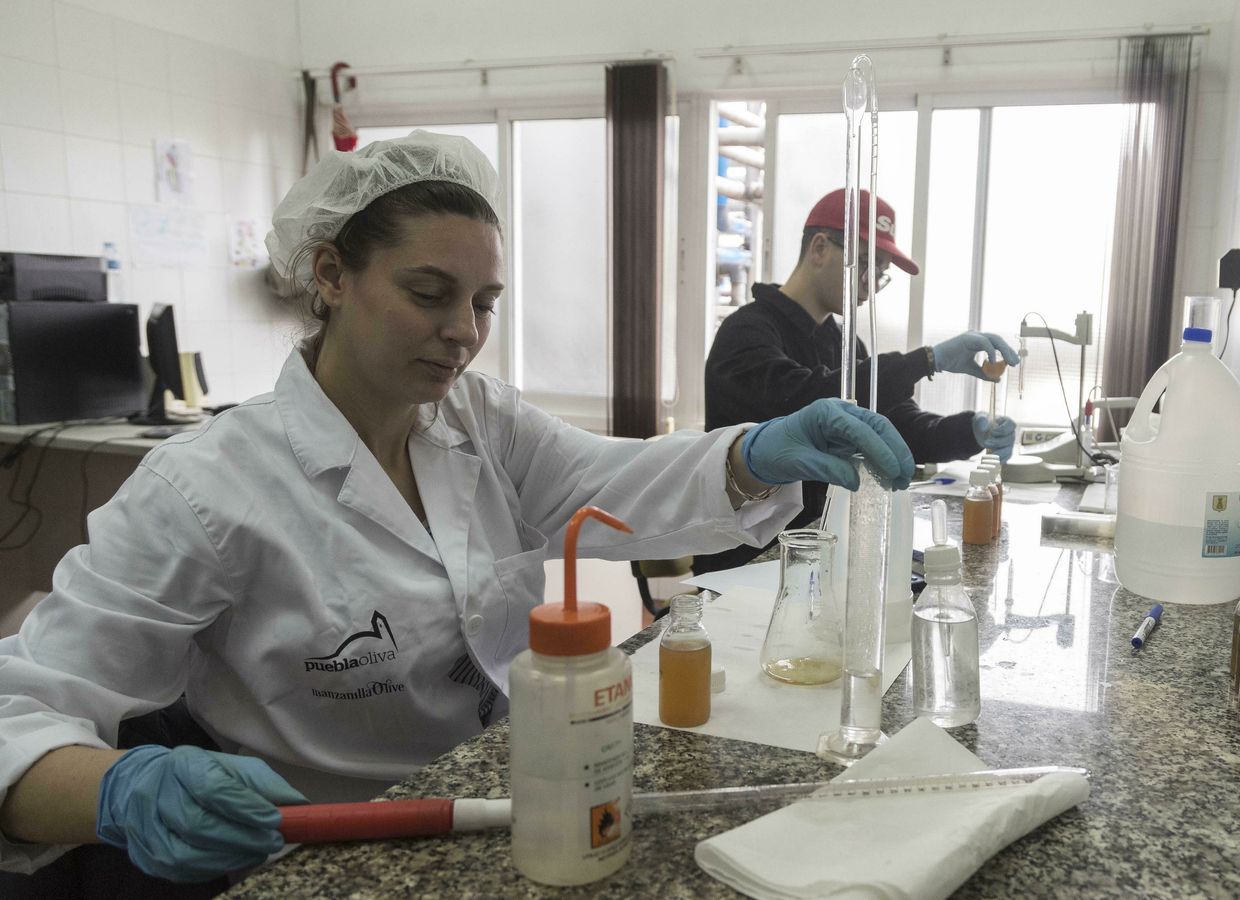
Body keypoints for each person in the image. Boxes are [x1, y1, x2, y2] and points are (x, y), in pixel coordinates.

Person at [0, 131, 914, 890]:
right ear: (329, 274)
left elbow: (607, 483)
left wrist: (749, 455)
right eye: (429, 295)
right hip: (322, 847)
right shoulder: (203, 490)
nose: (465, 333)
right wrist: (124, 789)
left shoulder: (476, 420)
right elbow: (19, 710)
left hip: (506, 795)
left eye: (483, 304)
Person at [696, 188, 1018, 574]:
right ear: (819, 248)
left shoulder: (845, 344)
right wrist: (927, 359)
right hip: (746, 560)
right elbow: (808, 400)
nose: (870, 283)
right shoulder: (746, 332)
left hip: (818, 552)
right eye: (866, 264)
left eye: (880, 274)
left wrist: (970, 430)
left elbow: (898, 428)